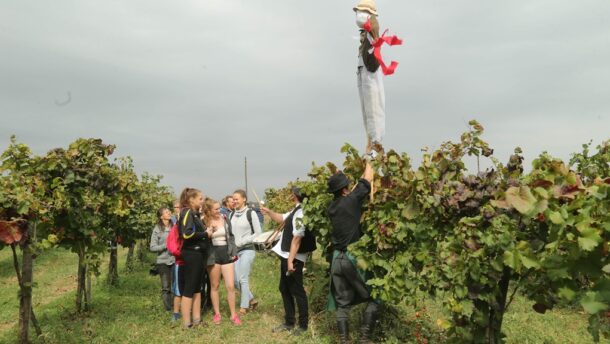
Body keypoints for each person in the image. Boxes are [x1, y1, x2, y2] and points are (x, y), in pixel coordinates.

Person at [326, 155, 380, 344]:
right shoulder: (351, 200)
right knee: (376, 296)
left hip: (336, 260)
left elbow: (352, 188)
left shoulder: (332, 207)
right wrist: (371, 157)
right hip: (350, 258)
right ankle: (364, 338)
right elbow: (367, 179)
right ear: (344, 190)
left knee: (343, 303)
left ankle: (344, 340)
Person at [262, 187, 315, 336]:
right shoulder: (296, 210)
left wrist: (291, 261)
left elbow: (297, 238)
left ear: (296, 196)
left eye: (293, 193)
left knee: (297, 291)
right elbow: (282, 218)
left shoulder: (301, 213)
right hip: (287, 255)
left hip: (294, 257)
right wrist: (269, 212)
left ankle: (303, 325)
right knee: (284, 288)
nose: (291, 194)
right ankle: (289, 322)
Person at [203, 199, 241, 325]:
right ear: (209, 210)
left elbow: (231, 236)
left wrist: (233, 252)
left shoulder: (225, 218)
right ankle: (217, 314)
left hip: (226, 253)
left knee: (230, 286)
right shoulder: (204, 221)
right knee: (215, 286)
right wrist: (209, 231)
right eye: (216, 209)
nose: (219, 211)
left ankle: (233, 315)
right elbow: (203, 240)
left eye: (219, 208)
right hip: (213, 255)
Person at [177, 187, 209, 328]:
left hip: (198, 254)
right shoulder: (187, 212)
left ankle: (197, 320)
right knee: (189, 288)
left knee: (197, 287)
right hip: (191, 254)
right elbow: (187, 234)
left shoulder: (194, 214)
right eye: (200, 199)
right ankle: (186, 323)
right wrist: (205, 234)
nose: (202, 201)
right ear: (191, 200)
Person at [230, 189, 262, 315]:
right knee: (234, 280)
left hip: (247, 249)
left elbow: (258, 233)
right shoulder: (232, 215)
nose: (234, 201)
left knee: (243, 278)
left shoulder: (251, 213)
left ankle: (244, 307)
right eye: (233, 199)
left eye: (237, 198)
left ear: (244, 199)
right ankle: (251, 299)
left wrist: (243, 241)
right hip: (235, 251)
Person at [149, 207, 176, 313]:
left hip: (174, 260)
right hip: (162, 261)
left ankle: (176, 307)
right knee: (166, 287)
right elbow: (152, 247)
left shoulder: (175, 227)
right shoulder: (157, 229)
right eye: (166, 212)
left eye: (169, 211)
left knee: (175, 285)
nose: (169, 213)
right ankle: (168, 309)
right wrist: (166, 245)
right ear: (161, 216)